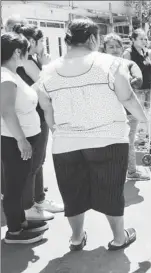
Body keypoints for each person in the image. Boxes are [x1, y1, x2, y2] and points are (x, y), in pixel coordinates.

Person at [35, 18, 147, 250]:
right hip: (108, 139)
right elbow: (127, 97)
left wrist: (58, 131)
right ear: (93, 39)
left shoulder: (48, 70)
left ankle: (76, 238)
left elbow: (47, 107)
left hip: (66, 143)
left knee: (72, 192)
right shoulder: (111, 63)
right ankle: (118, 238)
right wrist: (145, 120)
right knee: (111, 190)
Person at [1, 31, 50, 244]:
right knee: (14, 187)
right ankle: (14, 231)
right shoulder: (6, 77)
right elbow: (7, 111)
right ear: (17, 52)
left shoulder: (12, 74)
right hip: (14, 141)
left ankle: (19, 222)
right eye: (26, 51)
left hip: (21, 139)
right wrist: (22, 140)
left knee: (19, 183)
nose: (28, 55)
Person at [13, 24, 65, 221]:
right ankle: (30, 206)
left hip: (37, 114)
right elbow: (45, 83)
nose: (44, 45)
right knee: (33, 162)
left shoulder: (31, 59)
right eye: (42, 41)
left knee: (38, 161)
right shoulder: (27, 61)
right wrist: (46, 65)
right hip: (32, 115)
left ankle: (38, 200)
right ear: (32, 42)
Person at [103, 33, 150, 181]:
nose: (115, 49)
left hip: (128, 110)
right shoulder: (99, 66)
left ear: (122, 48)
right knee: (109, 143)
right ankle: (113, 172)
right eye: (111, 46)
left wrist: (132, 79)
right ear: (104, 49)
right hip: (107, 111)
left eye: (118, 46)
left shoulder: (127, 63)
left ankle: (131, 171)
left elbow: (138, 78)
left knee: (129, 141)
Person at [123, 28, 151, 147]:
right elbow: (125, 70)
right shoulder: (128, 53)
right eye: (141, 39)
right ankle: (141, 140)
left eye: (145, 39)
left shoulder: (145, 51)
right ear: (133, 40)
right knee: (140, 115)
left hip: (149, 87)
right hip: (138, 89)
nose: (144, 41)